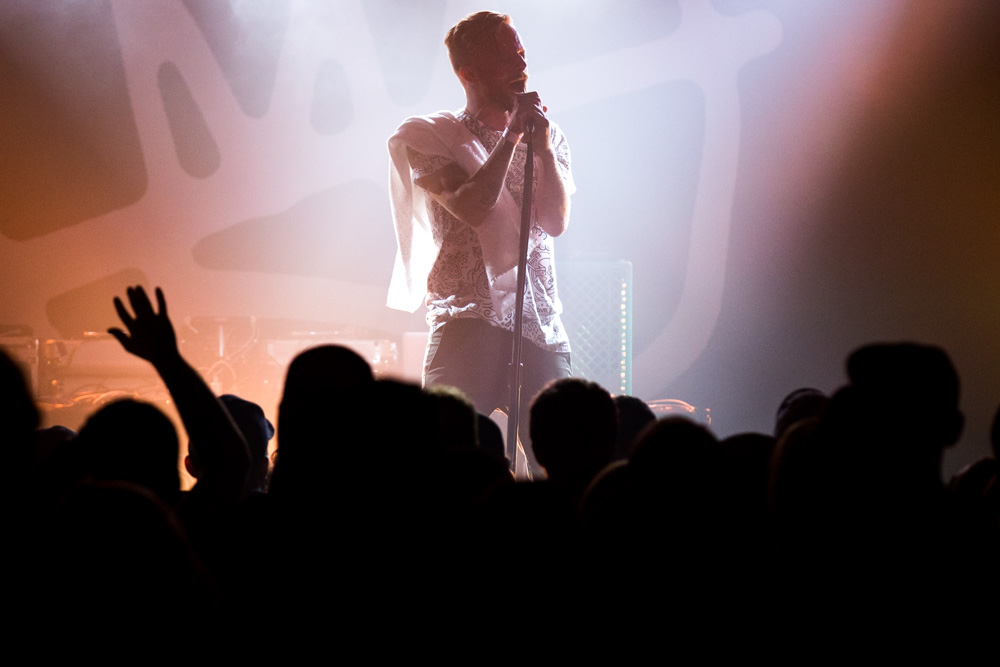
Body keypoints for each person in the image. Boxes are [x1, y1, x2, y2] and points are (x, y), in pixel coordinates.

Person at [386, 11, 575, 474]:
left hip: (539, 325)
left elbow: (555, 222)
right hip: (467, 322)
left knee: (564, 464)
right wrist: (511, 137)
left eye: (521, 51)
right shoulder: (430, 135)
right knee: (445, 465)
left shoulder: (548, 137)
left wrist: (542, 147)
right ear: (468, 72)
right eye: (506, 55)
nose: (521, 62)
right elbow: (471, 206)